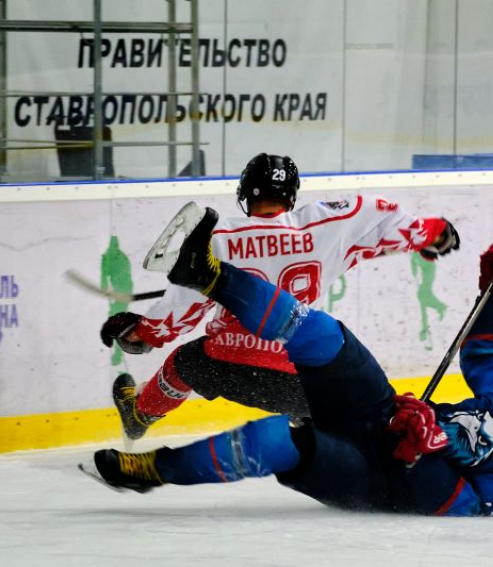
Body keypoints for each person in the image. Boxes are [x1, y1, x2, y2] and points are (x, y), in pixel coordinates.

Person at [82, 206, 493, 517]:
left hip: (377, 479)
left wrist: (417, 455)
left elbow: (452, 510)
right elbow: (486, 351)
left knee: (273, 441)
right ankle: (206, 273)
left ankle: (151, 469)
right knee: (322, 333)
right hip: (386, 415)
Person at [99, 153, 460, 440]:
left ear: (245, 194)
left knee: (184, 364)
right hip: (301, 378)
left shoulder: (219, 238)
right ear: (292, 194)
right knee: (327, 386)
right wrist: (434, 235)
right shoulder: (325, 225)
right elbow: (384, 219)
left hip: (230, 368)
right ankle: (319, 436)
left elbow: (181, 311)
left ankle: (140, 414)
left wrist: (142, 335)